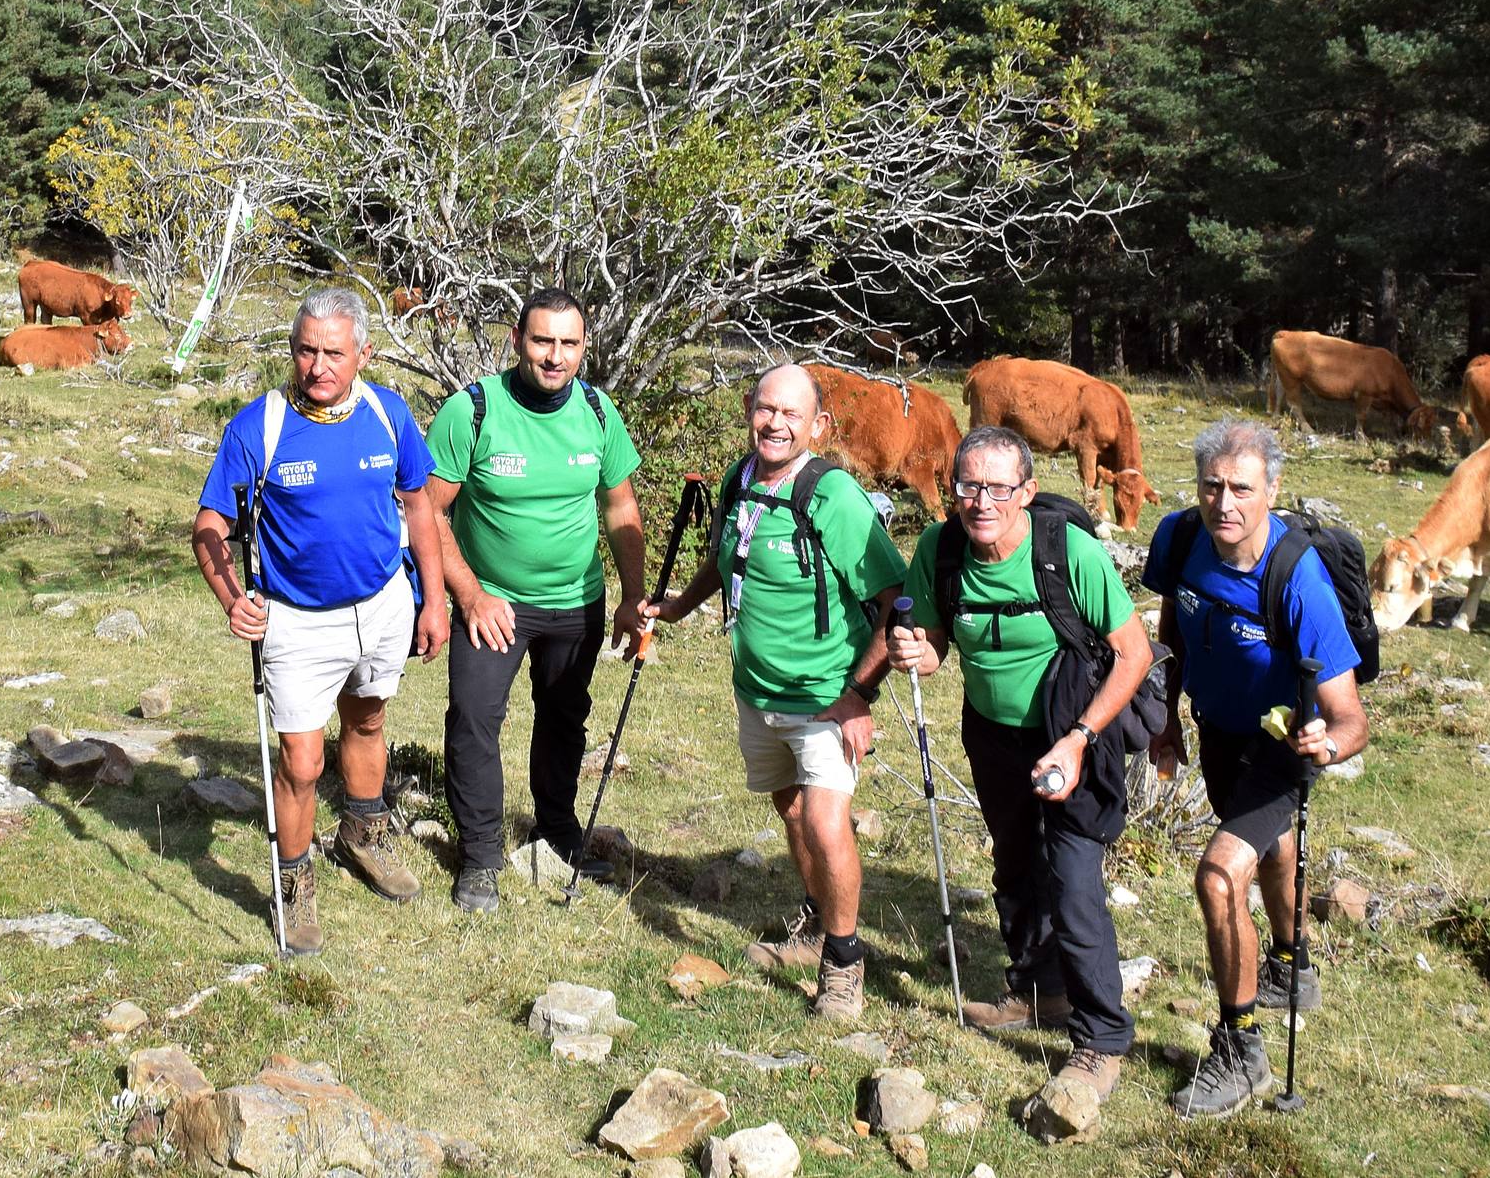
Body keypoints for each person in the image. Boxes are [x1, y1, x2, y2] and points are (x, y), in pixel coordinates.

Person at [887, 426, 1156, 1100]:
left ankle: (1100, 1040)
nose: (981, 501)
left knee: (1070, 880)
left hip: (1070, 730)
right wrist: (924, 654)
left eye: (997, 488)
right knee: (1013, 861)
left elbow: (1134, 653)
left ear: (1026, 492)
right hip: (990, 732)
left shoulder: (1066, 551)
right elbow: (938, 633)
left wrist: (1079, 738)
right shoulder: (940, 548)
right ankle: (1038, 990)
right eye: (967, 486)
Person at [192, 288, 449, 956]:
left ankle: (361, 840)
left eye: (333, 352)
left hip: (383, 604)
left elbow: (419, 507)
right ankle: (294, 884)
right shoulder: (260, 426)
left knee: (367, 722)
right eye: (305, 350)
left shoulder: (388, 414)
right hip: (297, 622)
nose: (317, 366)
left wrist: (436, 598)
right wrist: (232, 600)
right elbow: (210, 526)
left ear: (363, 352)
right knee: (302, 764)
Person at [647, 364, 905, 1019]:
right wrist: (678, 606)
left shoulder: (833, 496)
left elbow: (894, 600)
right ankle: (817, 927)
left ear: (817, 425)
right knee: (789, 811)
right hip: (754, 688)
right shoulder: (740, 478)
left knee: (824, 822)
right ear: (747, 409)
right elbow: (724, 556)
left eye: (792, 414)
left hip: (822, 694)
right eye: (766, 409)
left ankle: (843, 965)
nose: (775, 423)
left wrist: (856, 695)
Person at [1141, 419, 1371, 1119]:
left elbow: (1352, 719)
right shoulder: (1179, 538)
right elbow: (1173, 627)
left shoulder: (1297, 578)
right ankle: (1288, 963)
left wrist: (1323, 749)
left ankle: (1240, 1049)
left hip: (1281, 744)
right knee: (1269, 845)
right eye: (1211, 485)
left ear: (1270, 489)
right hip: (1216, 730)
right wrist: (1167, 717)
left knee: (1217, 876)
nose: (1224, 503)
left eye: (1241, 487)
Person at [423, 288, 647, 912]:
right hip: (490, 604)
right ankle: (480, 858)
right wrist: (468, 595)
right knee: (473, 719)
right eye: (542, 341)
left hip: (576, 603)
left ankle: (558, 835)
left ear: (584, 347)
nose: (555, 356)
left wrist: (632, 597)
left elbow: (620, 505)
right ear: (518, 340)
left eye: (568, 343)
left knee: (564, 718)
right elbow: (426, 511)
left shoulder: (599, 413)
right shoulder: (472, 411)